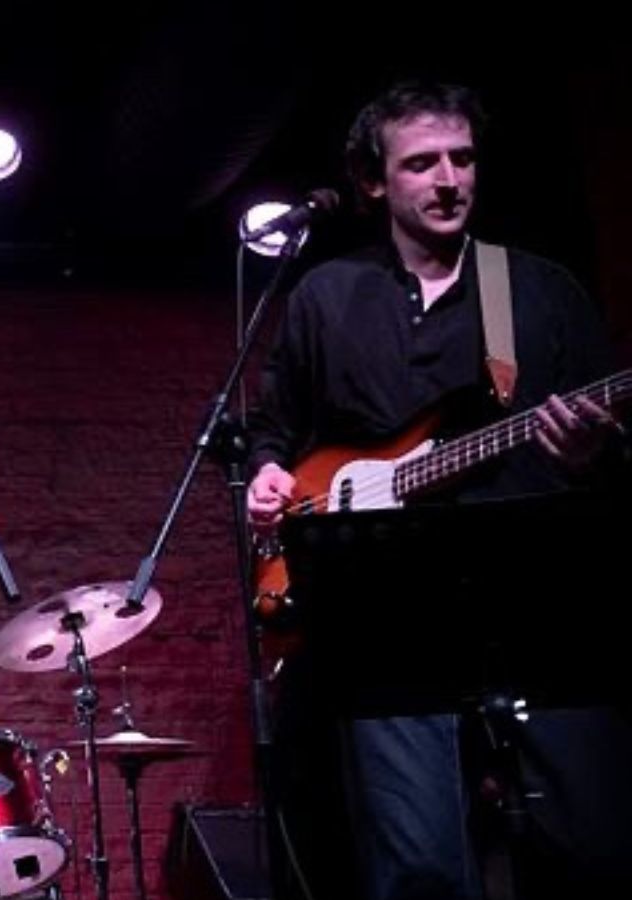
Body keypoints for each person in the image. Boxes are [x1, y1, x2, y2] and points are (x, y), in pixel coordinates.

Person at [245, 81, 630, 900]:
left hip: (536, 606)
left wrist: (590, 454)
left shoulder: (540, 291)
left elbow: (614, 461)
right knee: (418, 868)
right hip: (385, 622)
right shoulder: (325, 297)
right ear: (373, 181)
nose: (449, 179)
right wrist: (269, 476)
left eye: (462, 158)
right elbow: (276, 428)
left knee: (592, 846)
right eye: (421, 163)